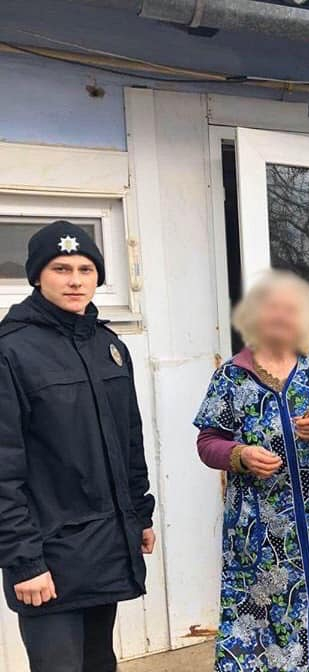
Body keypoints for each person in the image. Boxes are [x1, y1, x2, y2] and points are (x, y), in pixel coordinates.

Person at [0, 221, 156, 672]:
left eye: (86, 269)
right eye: (61, 269)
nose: (75, 280)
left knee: (99, 662)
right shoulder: (12, 351)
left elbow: (129, 440)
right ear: (37, 275)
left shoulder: (108, 346)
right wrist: (24, 561)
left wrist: (139, 514)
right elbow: (3, 467)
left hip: (104, 544)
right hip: (47, 554)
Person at [193, 270, 309, 672]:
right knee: (256, 614)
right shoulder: (231, 377)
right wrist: (241, 454)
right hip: (256, 528)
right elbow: (207, 443)